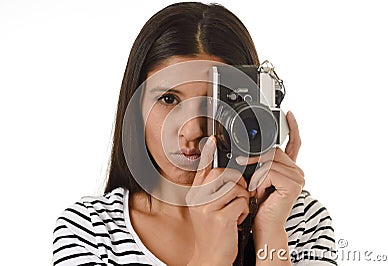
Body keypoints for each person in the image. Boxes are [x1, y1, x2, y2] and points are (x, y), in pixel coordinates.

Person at [53, 2, 336, 265]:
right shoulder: (91, 228)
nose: (192, 130)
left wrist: (269, 232)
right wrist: (209, 257)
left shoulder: (298, 219)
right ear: (135, 106)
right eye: (168, 99)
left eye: (213, 103)